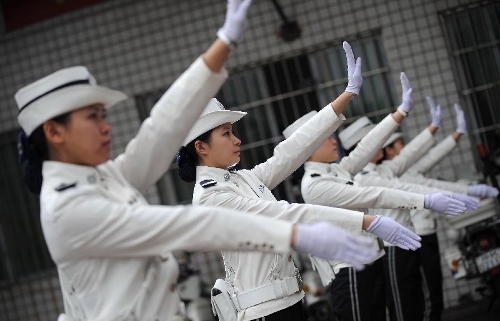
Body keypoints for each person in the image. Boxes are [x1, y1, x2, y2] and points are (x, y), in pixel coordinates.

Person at [13, 2, 381, 321]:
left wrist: (221, 47)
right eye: (92, 117)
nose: (106, 126)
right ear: (54, 132)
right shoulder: (67, 206)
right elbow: (189, 224)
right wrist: (304, 233)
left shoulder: (104, 179)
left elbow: (160, 129)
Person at [177, 42, 421, 321]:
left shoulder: (242, 179)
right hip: (264, 313)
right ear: (201, 147)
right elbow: (286, 212)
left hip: (287, 303)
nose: (237, 140)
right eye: (226, 133)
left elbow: (291, 151)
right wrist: (367, 221)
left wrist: (346, 96)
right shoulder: (211, 196)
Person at [285, 74, 468, 321]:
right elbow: (371, 194)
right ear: (307, 149)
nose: (332, 140)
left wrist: (399, 113)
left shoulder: (336, 170)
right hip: (349, 272)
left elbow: (366, 146)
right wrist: (425, 200)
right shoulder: (314, 184)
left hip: (369, 262)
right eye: (325, 137)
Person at [351, 98, 479, 321]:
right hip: (394, 246)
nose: (380, 143)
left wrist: (433, 129)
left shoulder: (383, 170)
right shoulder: (367, 177)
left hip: (406, 241)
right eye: (375, 141)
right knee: (404, 305)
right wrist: (455, 193)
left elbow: (411, 155)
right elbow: (408, 189)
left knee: (414, 299)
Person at [396, 100, 498, 321]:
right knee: (426, 292)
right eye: (398, 145)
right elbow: (434, 188)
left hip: (426, 233)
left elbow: (433, 156)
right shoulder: (396, 174)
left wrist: (457, 135)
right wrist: (467, 190)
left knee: (434, 287)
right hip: (416, 237)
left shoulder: (406, 169)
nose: (404, 148)